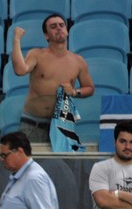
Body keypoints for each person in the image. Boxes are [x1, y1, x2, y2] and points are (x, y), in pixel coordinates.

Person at [11, 13, 94, 143]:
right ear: (46, 35)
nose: (59, 28)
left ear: (67, 31)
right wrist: (16, 40)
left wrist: (74, 92)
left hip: (61, 126)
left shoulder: (78, 61)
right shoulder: (37, 54)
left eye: (61, 25)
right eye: (53, 27)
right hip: (32, 124)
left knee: (58, 164)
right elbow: (20, 70)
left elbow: (89, 88)